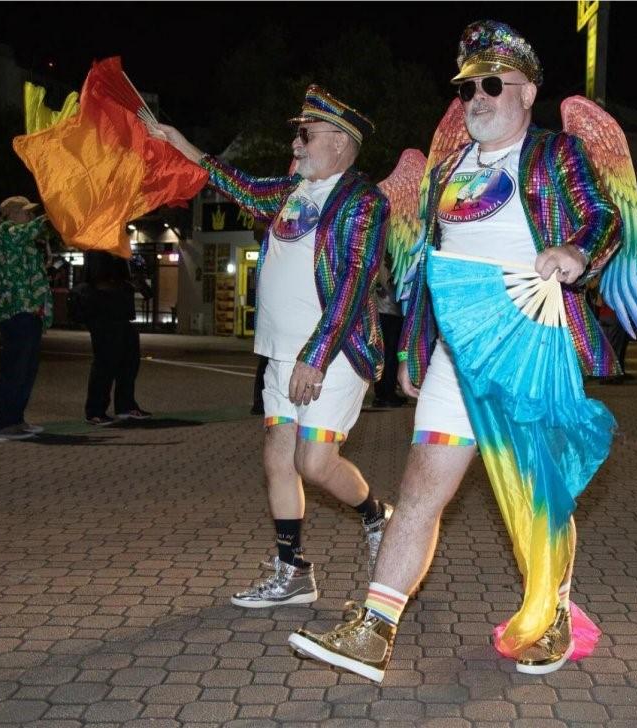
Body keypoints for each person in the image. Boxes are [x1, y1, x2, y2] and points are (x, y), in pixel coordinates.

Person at [288, 20, 625, 681]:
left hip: (529, 344)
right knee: (418, 491)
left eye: (494, 84)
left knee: (536, 497)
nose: (478, 96)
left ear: (528, 93)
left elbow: (601, 215)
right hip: (456, 355)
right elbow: (427, 269)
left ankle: (550, 611)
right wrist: (416, 351)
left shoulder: (555, 154)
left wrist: (576, 252)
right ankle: (374, 629)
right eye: (469, 85)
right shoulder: (447, 170)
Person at [147, 85, 394, 607]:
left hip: (333, 356)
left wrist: (315, 353)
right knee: (278, 461)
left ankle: (375, 514)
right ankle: (293, 571)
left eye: (305, 134)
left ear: (339, 142)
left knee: (313, 462)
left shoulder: (363, 202)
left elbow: (354, 279)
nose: (297, 144)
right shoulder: (289, 192)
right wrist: (179, 142)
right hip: (279, 356)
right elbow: (233, 181)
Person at [0, 196, 52, 439]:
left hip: (30, 310)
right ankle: (6, 422)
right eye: (26, 212)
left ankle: (16, 419)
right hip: (16, 311)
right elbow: (31, 229)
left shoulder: (23, 240)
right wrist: (57, 211)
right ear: (12, 214)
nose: (31, 217)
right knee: (15, 368)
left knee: (27, 369)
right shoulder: (2, 233)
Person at [82, 251, 152, 426]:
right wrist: (126, 282)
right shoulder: (98, 251)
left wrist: (134, 279)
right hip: (104, 315)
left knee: (130, 361)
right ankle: (95, 411)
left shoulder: (121, 253)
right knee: (105, 363)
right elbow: (98, 282)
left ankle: (126, 406)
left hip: (122, 314)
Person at [371, 253, 405, 408]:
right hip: (390, 309)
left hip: (382, 309)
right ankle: (387, 394)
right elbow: (389, 283)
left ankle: (382, 393)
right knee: (389, 354)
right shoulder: (390, 252)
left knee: (384, 353)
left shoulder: (381, 248)